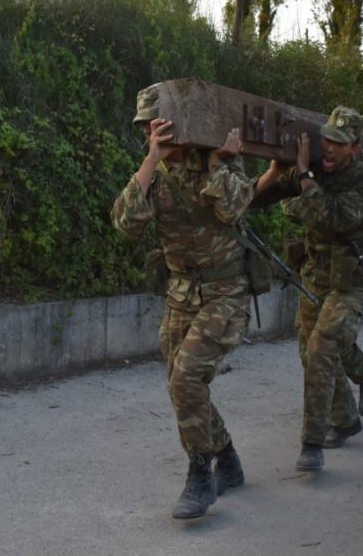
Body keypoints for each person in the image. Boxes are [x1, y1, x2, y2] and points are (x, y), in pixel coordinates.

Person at [111, 85, 254, 519]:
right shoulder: (152, 172)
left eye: (166, 124)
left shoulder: (217, 159)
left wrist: (217, 164)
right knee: (182, 386)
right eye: (150, 127)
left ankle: (200, 474)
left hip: (225, 293)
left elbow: (235, 208)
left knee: (187, 380)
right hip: (180, 294)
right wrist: (152, 159)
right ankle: (227, 457)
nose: (159, 132)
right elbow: (125, 223)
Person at [254, 106, 363, 472]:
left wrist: (307, 182)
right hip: (314, 277)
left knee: (322, 347)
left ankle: (312, 443)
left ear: (354, 149)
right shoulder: (310, 170)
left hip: (350, 282)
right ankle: (345, 418)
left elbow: (336, 217)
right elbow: (264, 201)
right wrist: (277, 172)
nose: (328, 147)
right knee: (309, 354)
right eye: (326, 138)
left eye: (338, 143)